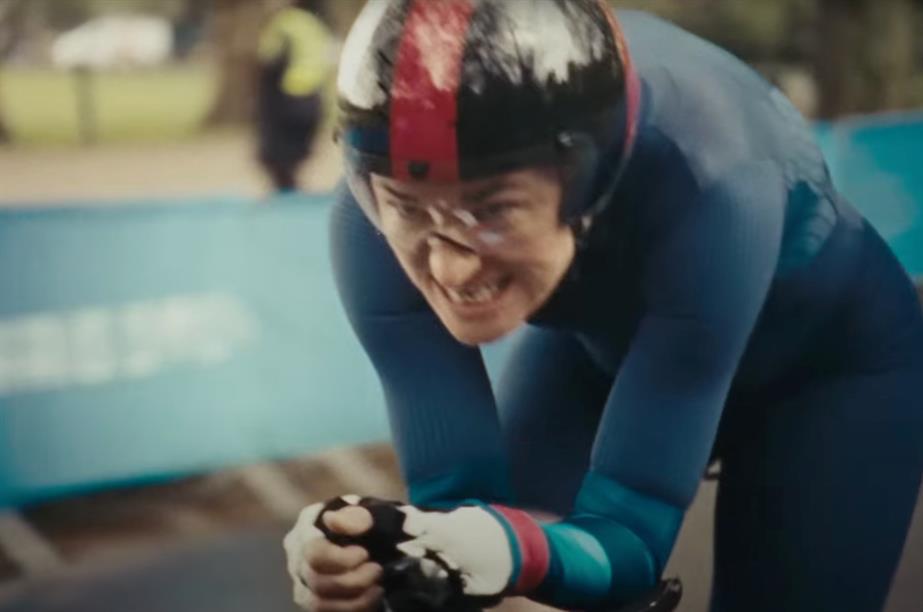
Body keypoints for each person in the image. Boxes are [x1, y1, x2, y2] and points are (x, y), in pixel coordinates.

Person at [284, 1, 923, 611]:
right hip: (618, 342)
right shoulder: (370, 225)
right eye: (409, 208)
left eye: (493, 209)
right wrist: (369, 551)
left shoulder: (715, 183)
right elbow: (457, 522)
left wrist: (517, 551)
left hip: (831, 370)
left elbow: (629, 541)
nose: (450, 265)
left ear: (588, 180)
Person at [255, 0, 333, 193]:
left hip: (287, 97)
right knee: (294, 157)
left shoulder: (283, 24)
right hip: (314, 97)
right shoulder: (312, 23)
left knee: (277, 157)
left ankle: (285, 198)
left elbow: (269, 61)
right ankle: (291, 192)